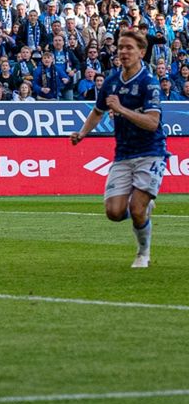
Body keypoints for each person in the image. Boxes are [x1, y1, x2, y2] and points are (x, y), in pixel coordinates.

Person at [69, 28, 163, 268]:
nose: (123, 52)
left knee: (137, 208)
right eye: (120, 47)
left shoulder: (149, 83)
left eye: (129, 47)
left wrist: (121, 110)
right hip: (123, 154)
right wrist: (82, 133)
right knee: (114, 212)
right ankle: (143, 207)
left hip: (150, 152)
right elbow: (98, 111)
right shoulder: (111, 82)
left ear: (141, 52)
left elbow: (153, 123)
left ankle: (143, 253)